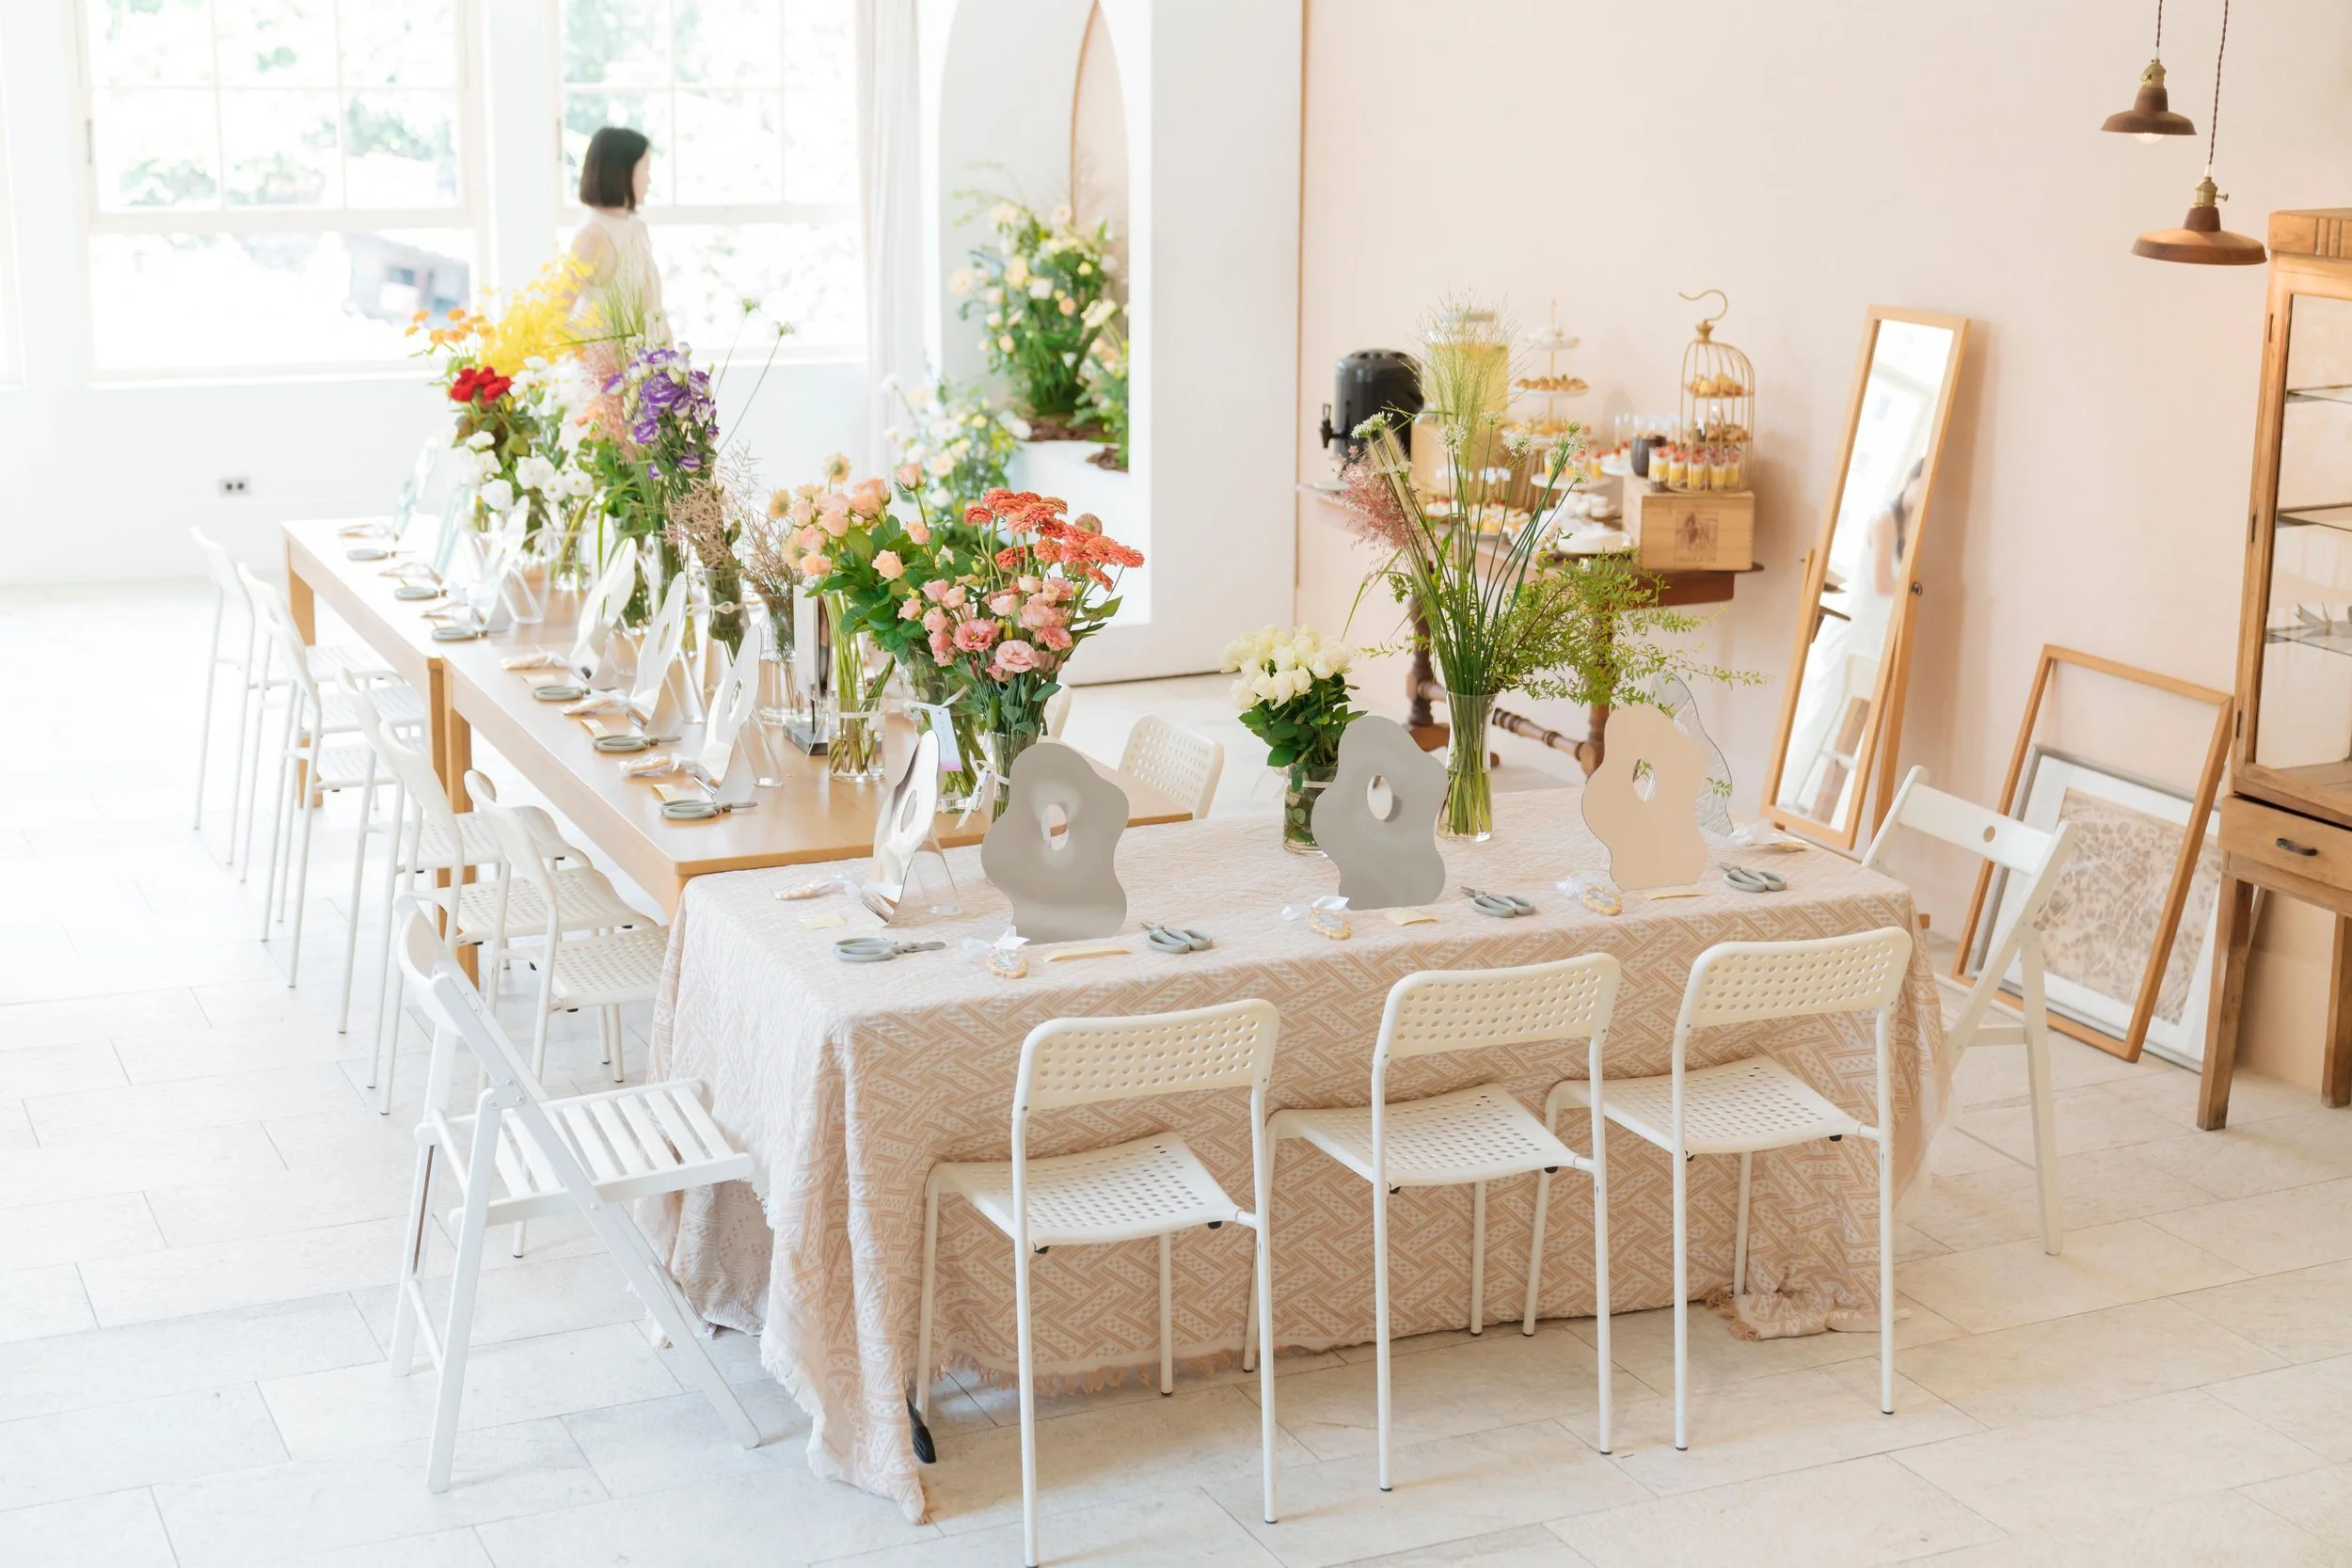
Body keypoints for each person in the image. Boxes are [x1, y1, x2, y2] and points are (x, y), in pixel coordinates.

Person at [569, 126, 668, 345]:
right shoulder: (593, 235)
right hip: (609, 370)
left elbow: (654, 308)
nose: (649, 180)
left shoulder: (636, 226)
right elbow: (560, 308)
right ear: (621, 172)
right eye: (645, 169)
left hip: (647, 366)